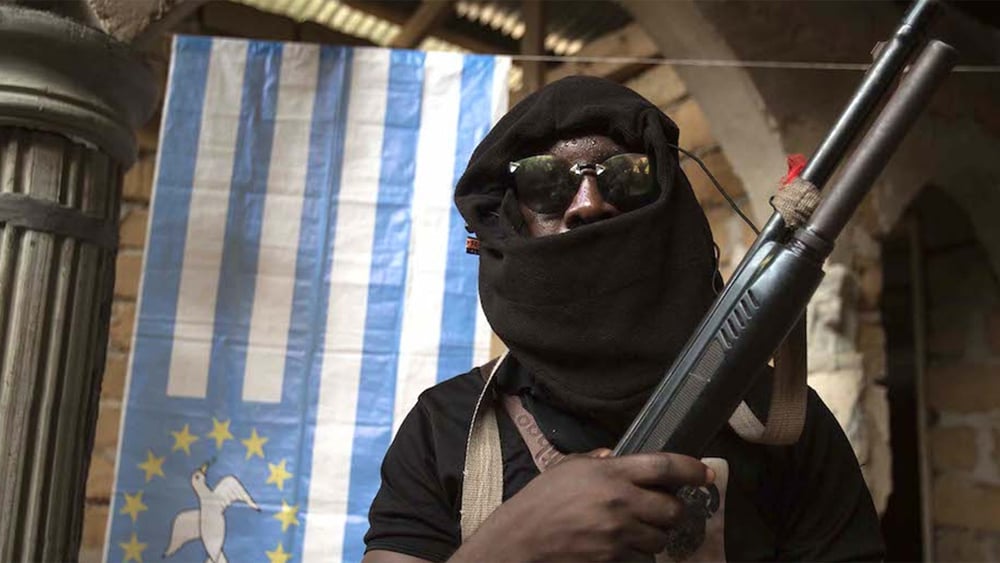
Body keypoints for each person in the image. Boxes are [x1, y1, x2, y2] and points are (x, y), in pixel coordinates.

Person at [362, 76, 883, 562]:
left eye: (625, 178)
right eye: (545, 183)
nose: (588, 204)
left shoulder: (782, 423)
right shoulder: (445, 428)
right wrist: (512, 543)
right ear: (514, 222)